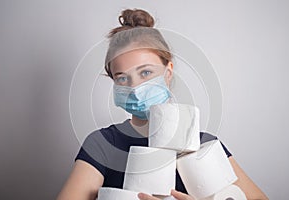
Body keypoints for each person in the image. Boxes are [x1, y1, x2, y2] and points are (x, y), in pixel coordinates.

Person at [57, 8, 268, 200]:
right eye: (122, 78)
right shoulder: (102, 144)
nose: (135, 88)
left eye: (146, 73)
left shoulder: (204, 145)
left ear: (168, 73)